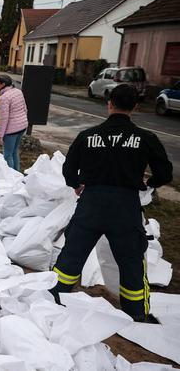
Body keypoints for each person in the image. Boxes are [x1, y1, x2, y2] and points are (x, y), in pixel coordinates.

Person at [49, 84, 173, 322]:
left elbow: (68, 168)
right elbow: (165, 173)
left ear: (109, 104)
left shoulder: (88, 136)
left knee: (72, 256)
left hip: (91, 204)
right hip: (125, 207)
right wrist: (149, 183)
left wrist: (76, 184)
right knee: (131, 261)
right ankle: (136, 313)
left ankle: (54, 298)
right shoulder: (146, 138)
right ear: (135, 107)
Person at [0, 74, 28, 171]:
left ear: (3, 84)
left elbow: (4, 118)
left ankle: (11, 178)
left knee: (7, 154)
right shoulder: (18, 92)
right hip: (22, 127)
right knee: (14, 151)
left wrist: (0, 135)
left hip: (12, 130)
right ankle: (17, 175)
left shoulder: (4, 98)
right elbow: (25, 109)